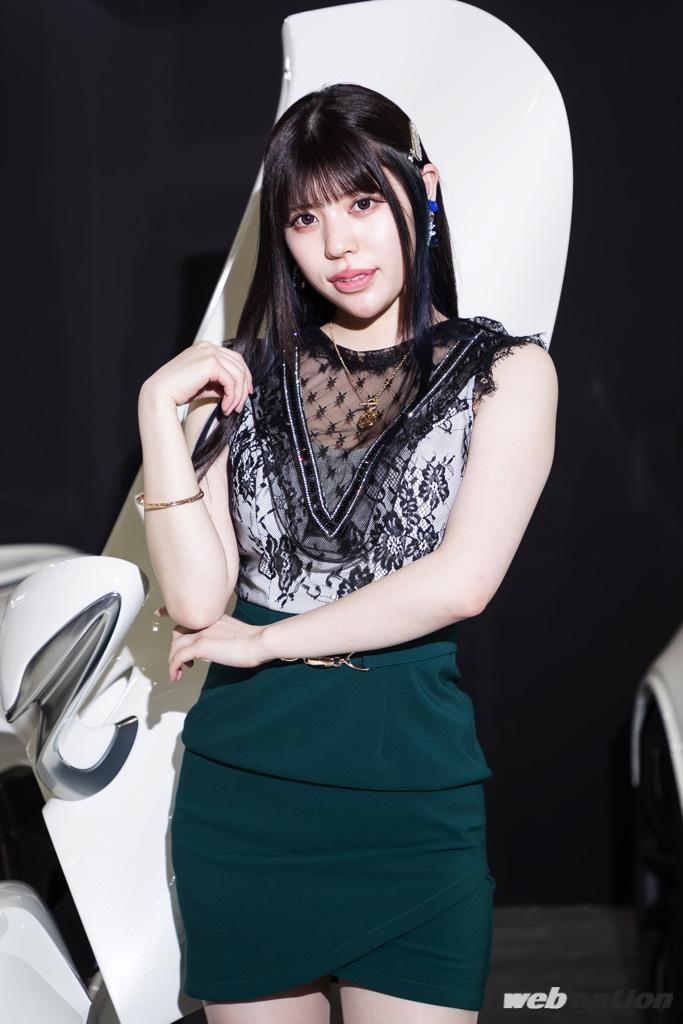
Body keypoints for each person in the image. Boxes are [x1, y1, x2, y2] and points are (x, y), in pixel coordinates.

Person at [137, 82, 558, 1024]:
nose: (337, 244)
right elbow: (198, 601)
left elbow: (462, 582)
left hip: (407, 802)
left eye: (363, 201)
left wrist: (267, 640)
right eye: (304, 218)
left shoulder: (506, 373)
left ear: (424, 190)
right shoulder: (246, 377)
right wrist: (157, 415)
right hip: (243, 802)